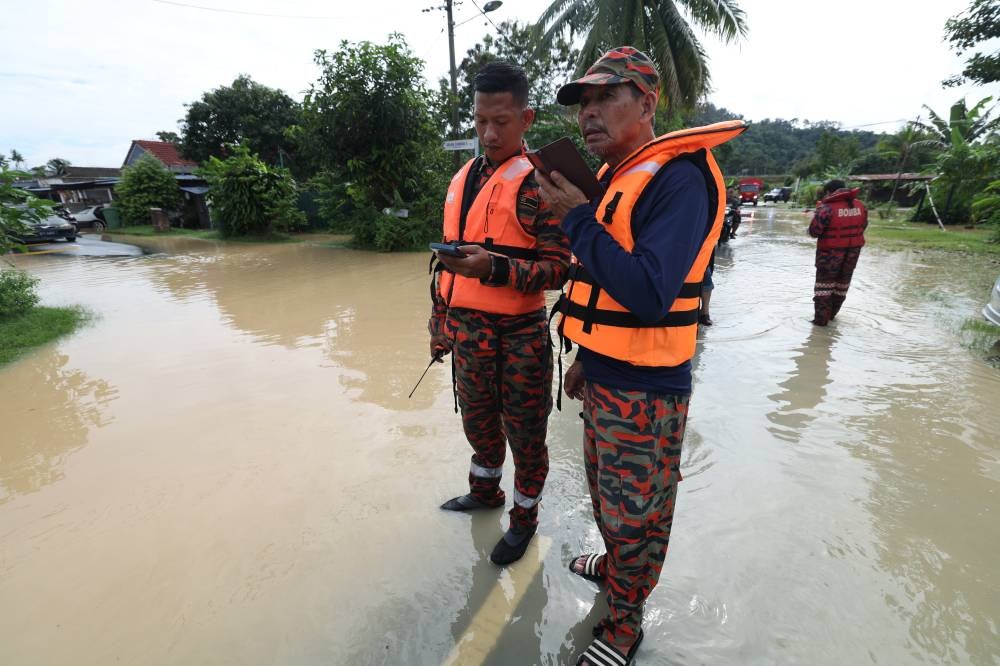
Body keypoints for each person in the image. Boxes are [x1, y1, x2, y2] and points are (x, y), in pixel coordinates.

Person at [536, 46, 746, 665]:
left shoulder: (678, 178)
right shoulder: (616, 178)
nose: (589, 113)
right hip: (606, 376)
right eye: (584, 102)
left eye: (607, 97)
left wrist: (576, 219)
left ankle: (624, 626)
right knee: (606, 497)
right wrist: (585, 360)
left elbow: (652, 293)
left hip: (648, 390)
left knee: (636, 515)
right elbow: (604, 287)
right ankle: (616, 570)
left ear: (648, 102)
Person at [429, 61, 570, 565]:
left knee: (526, 436)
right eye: (480, 120)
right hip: (466, 330)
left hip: (519, 335)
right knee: (479, 424)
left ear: (526, 118)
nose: (488, 133)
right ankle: (485, 492)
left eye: (502, 122)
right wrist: (439, 319)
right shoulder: (465, 177)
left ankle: (524, 519)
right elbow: (445, 260)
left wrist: (495, 269)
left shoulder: (541, 183)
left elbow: (558, 269)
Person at [807, 179, 868, 326]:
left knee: (824, 288)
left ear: (829, 192)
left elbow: (815, 231)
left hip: (829, 255)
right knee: (841, 287)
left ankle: (820, 324)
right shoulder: (860, 206)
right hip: (852, 254)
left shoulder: (826, 208)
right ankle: (831, 317)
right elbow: (863, 226)